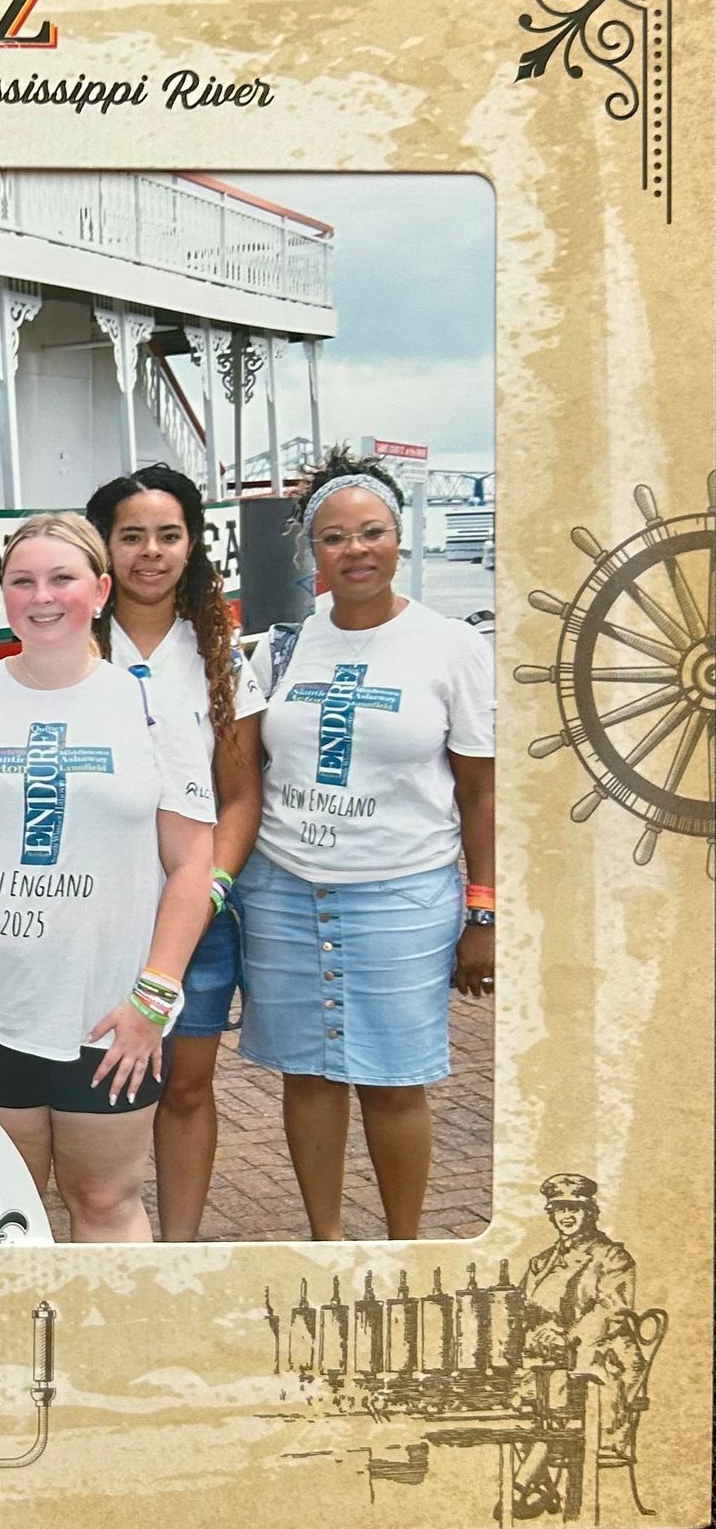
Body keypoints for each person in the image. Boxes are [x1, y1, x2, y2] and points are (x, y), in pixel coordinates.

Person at [0, 513, 216, 1243]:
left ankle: (106, 1358)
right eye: (23, 581)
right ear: (3, 594)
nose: (43, 597)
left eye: (63, 578)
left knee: (105, 1202)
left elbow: (192, 862)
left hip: (108, 1012)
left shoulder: (149, 705)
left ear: (100, 590)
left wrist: (155, 996)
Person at [237, 445, 495, 1241]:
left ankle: (404, 1252)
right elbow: (245, 773)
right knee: (308, 1077)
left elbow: (483, 791)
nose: (357, 550)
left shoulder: (451, 646)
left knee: (393, 1082)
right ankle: (326, 1246)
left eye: (373, 532)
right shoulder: (281, 647)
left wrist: (484, 912)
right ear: (311, 550)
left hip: (403, 893)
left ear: (399, 538)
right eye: (336, 537)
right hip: (282, 887)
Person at [86, 465, 266, 1242]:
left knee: (187, 1089)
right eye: (131, 537)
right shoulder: (73, 641)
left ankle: (180, 1251)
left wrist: (213, 885)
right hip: (89, 906)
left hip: (199, 913)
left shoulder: (220, 653)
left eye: (168, 535)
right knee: (91, 1083)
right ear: (104, 549)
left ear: (192, 545)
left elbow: (240, 795)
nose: (150, 553)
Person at [511, 1175, 641, 1517]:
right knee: (516, 1393)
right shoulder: (541, 1262)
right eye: (559, 1209)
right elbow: (523, 1309)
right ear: (551, 1214)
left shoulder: (612, 1257)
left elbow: (612, 1310)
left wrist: (566, 1335)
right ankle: (536, 1484)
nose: (567, 1216)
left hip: (600, 1357)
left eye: (575, 1209)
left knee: (557, 1395)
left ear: (590, 1212)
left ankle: (520, 1486)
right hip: (551, 1362)